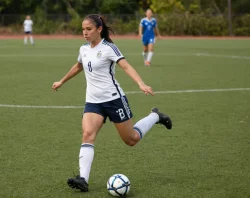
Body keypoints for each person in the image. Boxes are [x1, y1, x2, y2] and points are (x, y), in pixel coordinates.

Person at [52, 14, 172, 192]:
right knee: (87, 134)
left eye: (89, 29)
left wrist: (141, 83)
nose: (85, 33)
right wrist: (62, 81)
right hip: (93, 102)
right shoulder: (83, 49)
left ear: (99, 29)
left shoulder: (109, 48)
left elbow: (126, 66)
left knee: (131, 140)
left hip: (114, 100)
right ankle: (83, 179)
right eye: (83, 29)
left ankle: (155, 116)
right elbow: (78, 66)